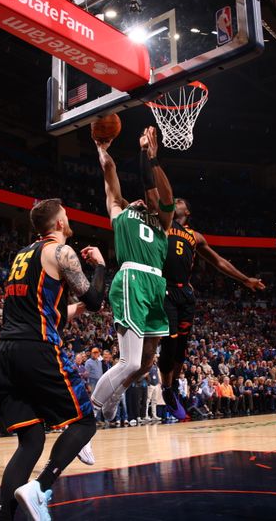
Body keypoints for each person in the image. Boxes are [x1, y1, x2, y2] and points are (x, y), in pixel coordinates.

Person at [0, 198, 106, 521]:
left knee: (31, 440)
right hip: (37, 349)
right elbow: (96, 300)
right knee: (84, 422)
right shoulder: (61, 251)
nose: (69, 221)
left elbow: (38, 310)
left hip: (5, 352)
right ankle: (41, 487)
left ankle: (4, 518)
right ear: (57, 224)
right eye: (66, 216)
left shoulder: (22, 255)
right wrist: (100, 266)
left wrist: (72, 309)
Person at [90, 126, 174, 423]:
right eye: (135, 199)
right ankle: (89, 413)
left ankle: (114, 395)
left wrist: (151, 158)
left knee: (147, 359)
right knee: (130, 361)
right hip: (134, 278)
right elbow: (110, 171)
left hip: (155, 284)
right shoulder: (119, 212)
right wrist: (102, 147)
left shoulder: (162, 221)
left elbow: (167, 197)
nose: (141, 199)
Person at [158, 197, 265, 419]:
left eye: (180, 201)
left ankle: (175, 384)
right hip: (165, 287)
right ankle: (167, 389)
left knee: (181, 347)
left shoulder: (195, 236)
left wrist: (245, 280)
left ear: (187, 211)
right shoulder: (163, 222)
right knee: (169, 341)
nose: (175, 201)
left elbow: (219, 262)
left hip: (185, 292)